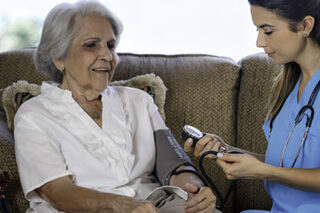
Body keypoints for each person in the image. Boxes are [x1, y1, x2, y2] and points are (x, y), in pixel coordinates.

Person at [13, 1, 217, 212]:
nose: (108, 56)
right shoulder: (33, 116)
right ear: (58, 57)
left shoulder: (139, 101)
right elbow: (57, 193)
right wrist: (120, 205)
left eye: (111, 46)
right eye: (92, 45)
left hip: (155, 206)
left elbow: (174, 165)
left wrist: (196, 190)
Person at [184, 0, 320, 212]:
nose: (259, 42)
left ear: (305, 26)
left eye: (268, 31)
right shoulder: (289, 84)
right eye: (258, 30)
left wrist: (265, 172)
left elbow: (271, 170)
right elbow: (287, 163)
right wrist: (226, 151)